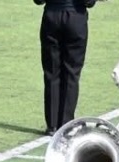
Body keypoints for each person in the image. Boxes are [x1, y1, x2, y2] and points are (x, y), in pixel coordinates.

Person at [36, 0, 97, 134]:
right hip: (76, 18)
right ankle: (66, 123)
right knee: (72, 73)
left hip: (52, 16)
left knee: (51, 72)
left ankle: (52, 125)